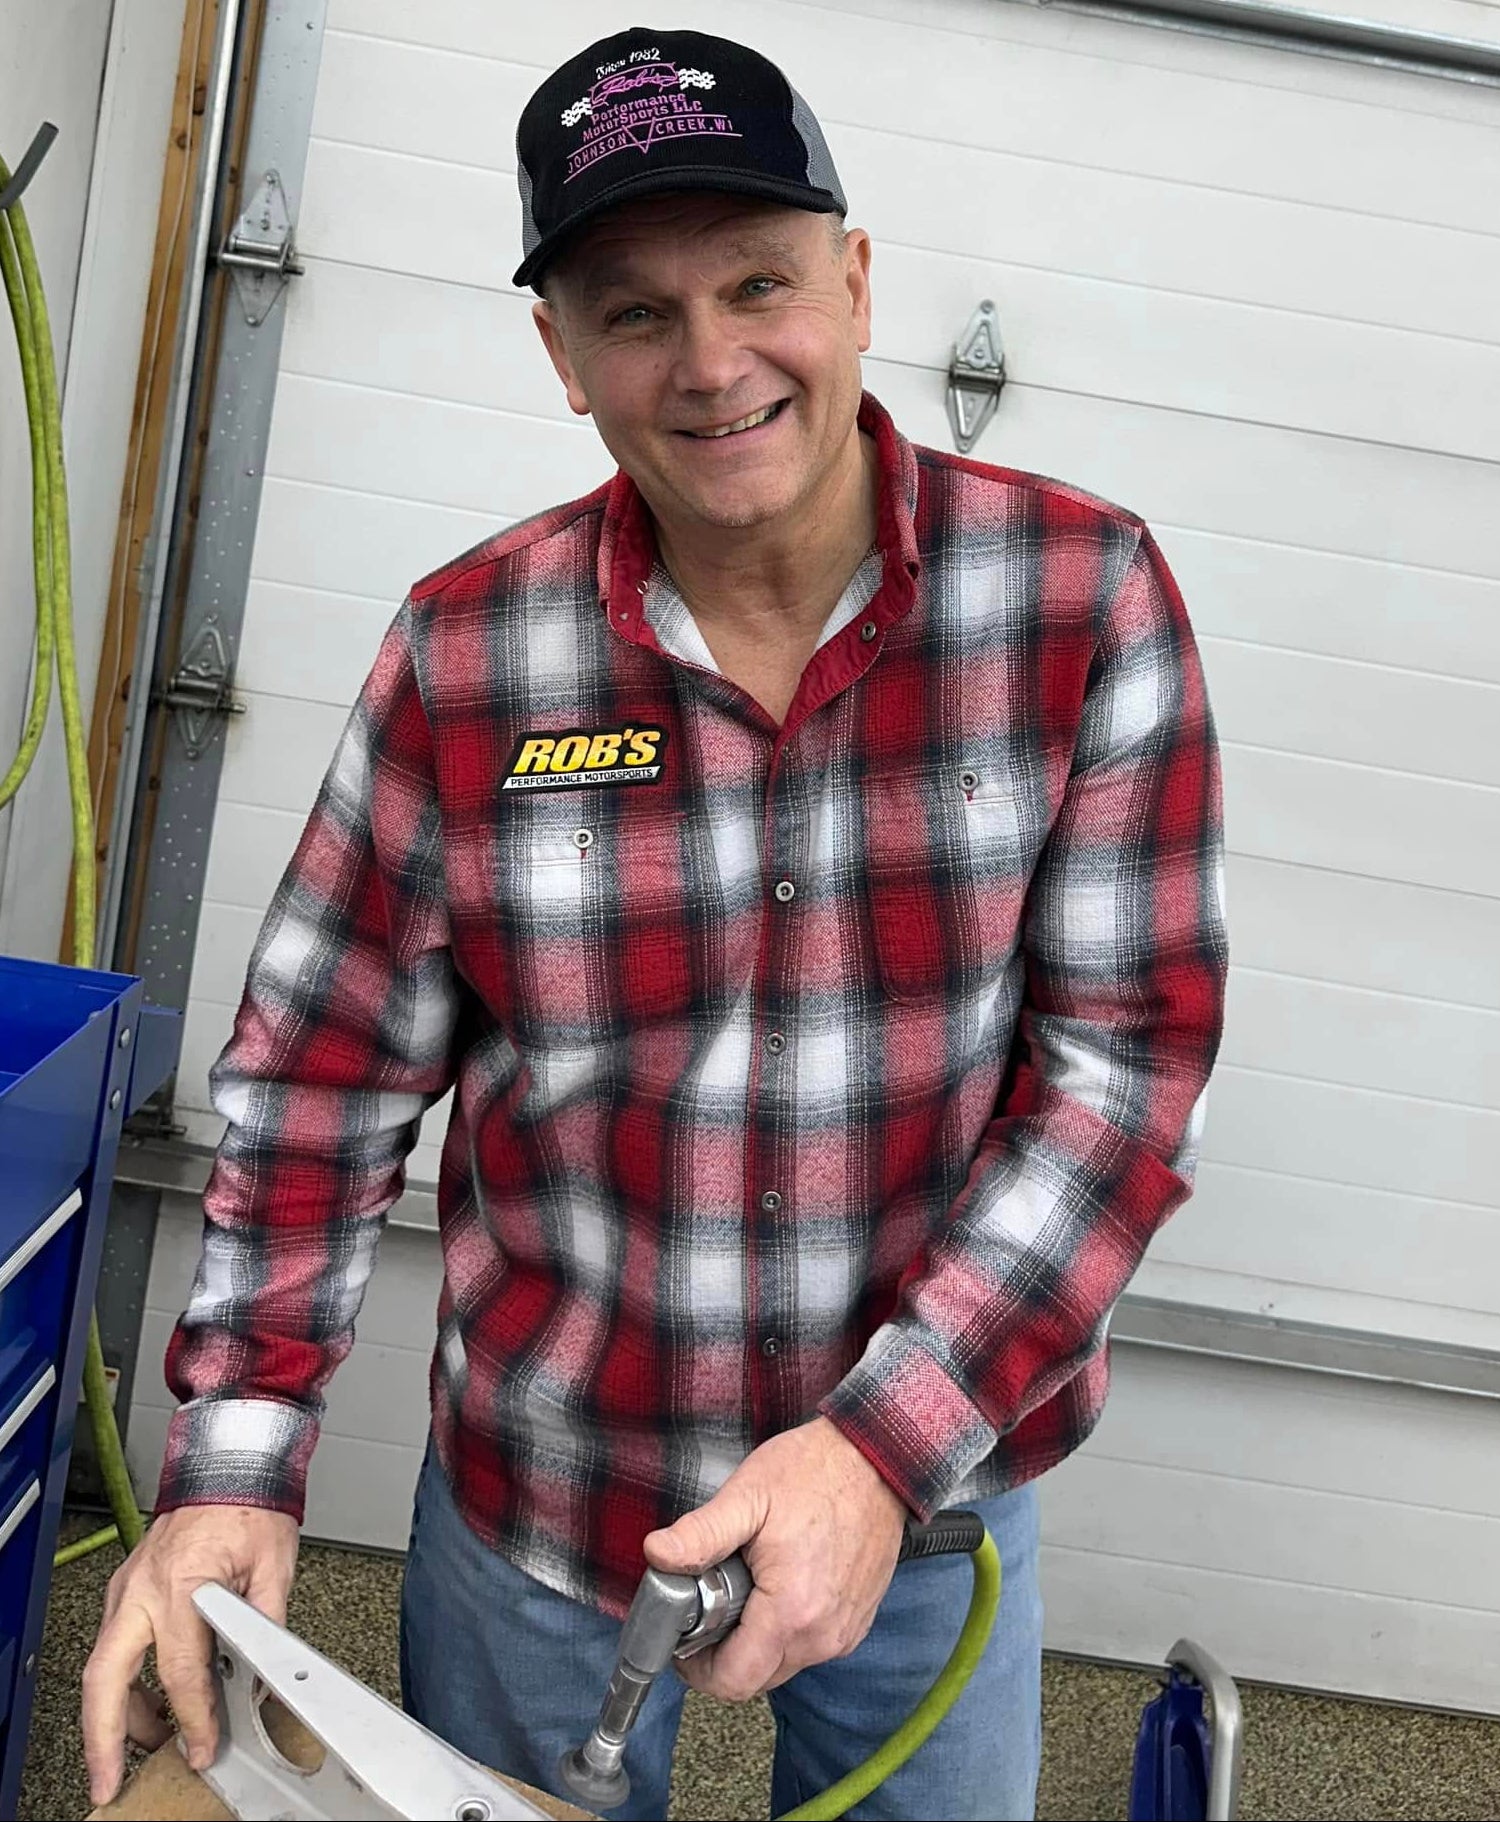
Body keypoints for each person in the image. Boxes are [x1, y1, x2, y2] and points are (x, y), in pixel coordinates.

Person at [82, 27, 1227, 1820]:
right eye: (634, 311)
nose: (709, 361)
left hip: (931, 1497)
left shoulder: (1081, 603)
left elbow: (1124, 1075)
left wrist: (881, 1448)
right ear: (562, 354)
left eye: (757, 282)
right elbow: (317, 1085)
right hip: (545, 1508)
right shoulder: (467, 655)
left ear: (855, 284)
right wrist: (235, 1465)